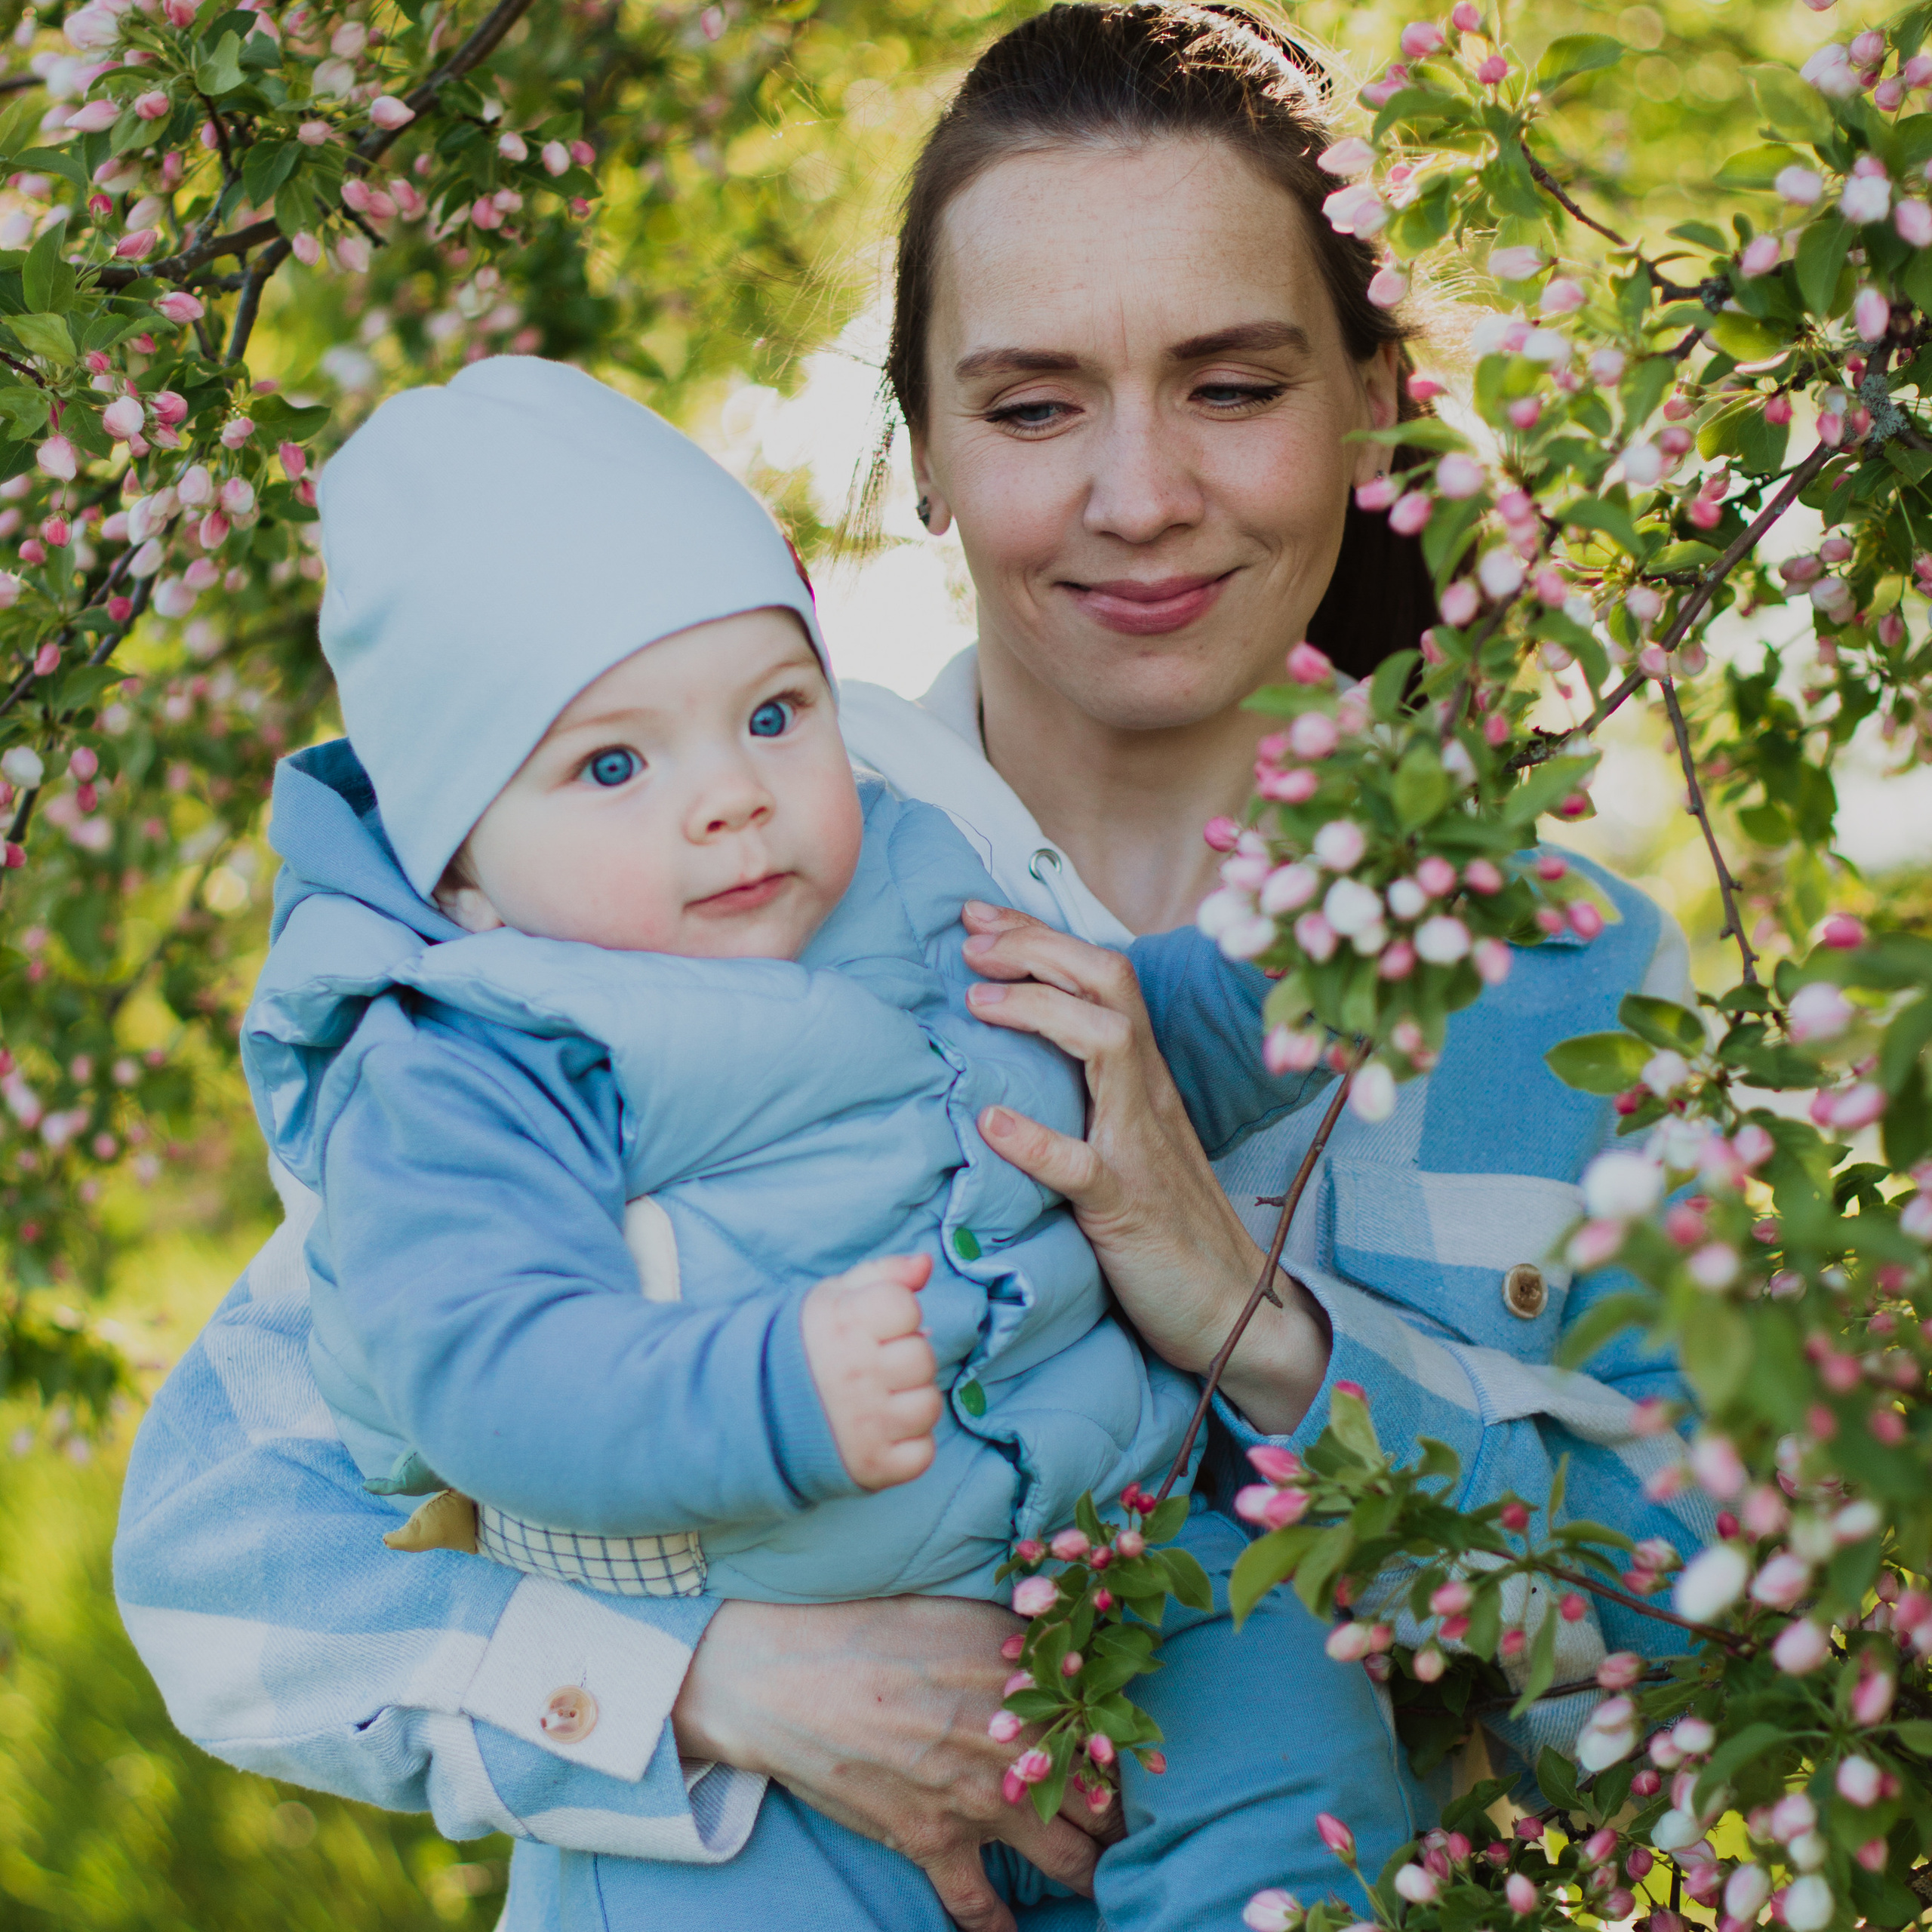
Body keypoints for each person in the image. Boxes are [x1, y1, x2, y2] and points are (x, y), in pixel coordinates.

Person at [115, 9, 1712, 1931]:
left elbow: (1701, 1671)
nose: (1135, 494)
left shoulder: (1562, 988)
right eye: (1034, 404)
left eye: (1229, 386)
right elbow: (232, 1549)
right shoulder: (647, 926)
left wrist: (1254, 1326)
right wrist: (710, 1682)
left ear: (1370, 398)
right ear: (926, 451)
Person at [242, 348, 1425, 1929]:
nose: (730, 795)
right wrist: (769, 1390)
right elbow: (483, 1362)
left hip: (1119, 1573)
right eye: (612, 762)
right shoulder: (470, 1059)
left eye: (772, 712)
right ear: (462, 864)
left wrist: (1301, 957)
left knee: (1293, 1743)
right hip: (782, 1714)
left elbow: (1108, 1053)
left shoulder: (919, 870)